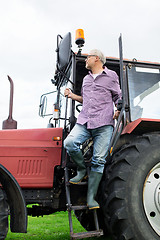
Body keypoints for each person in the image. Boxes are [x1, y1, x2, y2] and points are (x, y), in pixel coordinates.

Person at [64, 49, 121, 209]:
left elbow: (118, 96)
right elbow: (85, 99)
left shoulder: (111, 76)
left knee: (98, 160)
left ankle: (91, 199)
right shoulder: (86, 79)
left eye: (88, 57)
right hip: (85, 121)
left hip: (104, 123)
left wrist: (118, 108)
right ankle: (82, 171)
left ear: (97, 59)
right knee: (69, 143)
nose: (85, 60)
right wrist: (72, 96)